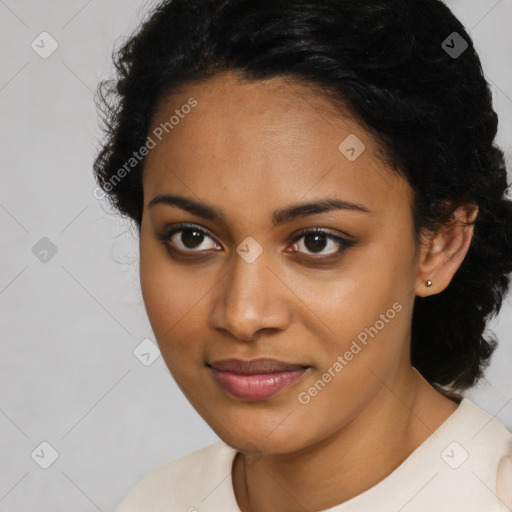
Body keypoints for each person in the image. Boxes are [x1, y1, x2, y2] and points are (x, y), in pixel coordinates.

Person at [93, 0, 512, 510]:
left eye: (317, 242)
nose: (243, 315)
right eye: (192, 237)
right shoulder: (156, 501)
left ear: (439, 245)